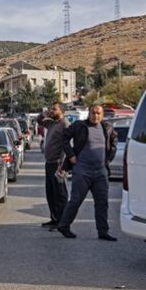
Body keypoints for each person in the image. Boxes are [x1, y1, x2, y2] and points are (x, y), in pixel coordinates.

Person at [55, 104, 118, 241]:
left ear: (102, 115)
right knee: (76, 200)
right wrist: (71, 155)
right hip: (82, 170)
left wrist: (107, 159)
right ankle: (64, 226)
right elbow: (64, 138)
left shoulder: (106, 128)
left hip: (100, 172)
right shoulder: (79, 126)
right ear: (89, 113)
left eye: (98, 113)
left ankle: (103, 231)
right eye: (93, 113)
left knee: (102, 202)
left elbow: (114, 142)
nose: (96, 116)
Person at [41, 102, 70, 230]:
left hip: (58, 164)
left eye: (55, 109)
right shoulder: (52, 123)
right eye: (51, 108)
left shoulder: (64, 124)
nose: (52, 111)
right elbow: (39, 120)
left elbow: (66, 145)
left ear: (62, 111)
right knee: (50, 193)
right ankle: (54, 219)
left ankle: (62, 221)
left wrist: (62, 164)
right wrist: (45, 113)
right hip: (49, 163)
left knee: (60, 193)